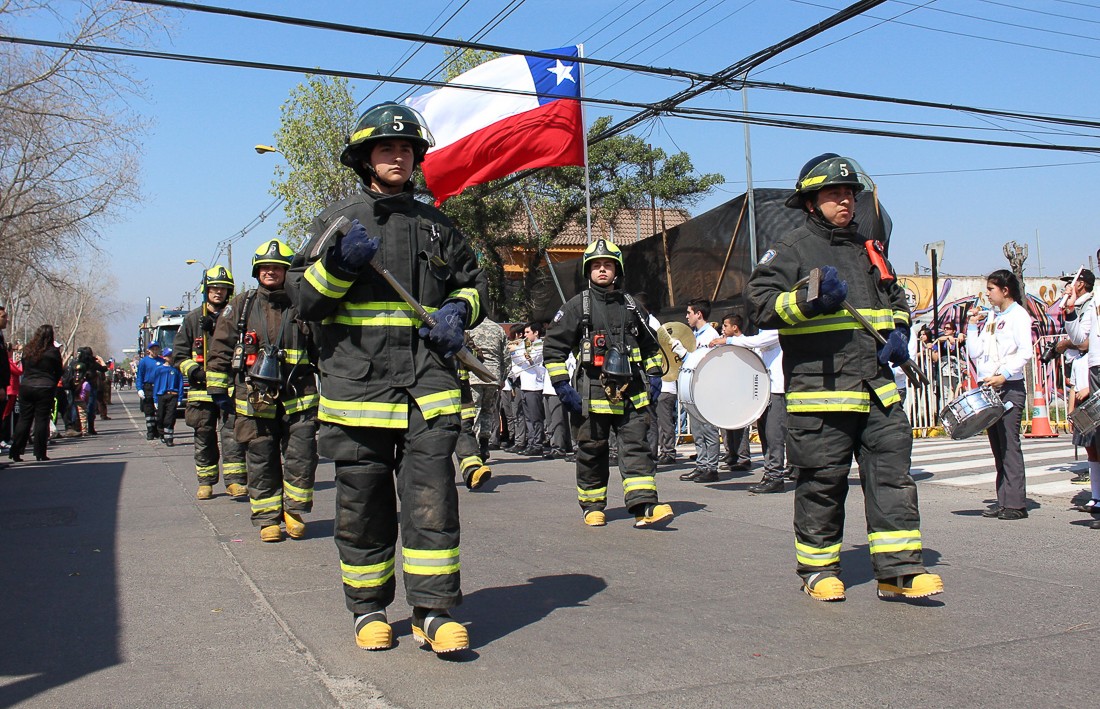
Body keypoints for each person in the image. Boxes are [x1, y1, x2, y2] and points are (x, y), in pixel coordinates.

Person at [286, 101, 487, 654]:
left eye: (405, 148)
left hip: (428, 388)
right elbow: (303, 299)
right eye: (386, 148)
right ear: (365, 159)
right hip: (359, 392)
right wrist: (339, 266)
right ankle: (368, 609)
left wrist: (457, 314)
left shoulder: (439, 225)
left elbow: (476, 287)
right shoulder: (338, 221)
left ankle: (433, 611)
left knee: (433, 501)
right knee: (363, 506)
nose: (397, 156)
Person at [746, 152, 942, 602]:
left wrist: (899, 332)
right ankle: (818, 569)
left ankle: (899, 571)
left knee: (893, 478)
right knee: (822, 482)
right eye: (834, 194)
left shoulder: (870, 249)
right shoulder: (791, 248)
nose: (846, 202)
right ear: (812, 202)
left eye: (850, 194)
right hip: (821, 392)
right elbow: (759, 304)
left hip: (877, 388)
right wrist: (808, 300)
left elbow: (896, 300)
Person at [543, 238, 673, 529]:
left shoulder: (633, 306)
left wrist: (654, 376)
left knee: (636, 447)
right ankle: (592, 506)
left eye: (608, 265)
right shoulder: (576, 307)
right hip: (592, 394)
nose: (602, 270)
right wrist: (562, 385)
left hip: (632, 394)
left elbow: (652, 347)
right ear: (588, 271)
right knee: (592, 450)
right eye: (597, 265)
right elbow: (553, 349)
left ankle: (644, 506)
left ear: (618, 270)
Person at [207, 239, 319, 543]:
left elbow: (323, 349)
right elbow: (219, 349)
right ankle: (268, 519)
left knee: (301, 457)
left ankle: (293, 512)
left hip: (299, 396)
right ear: (257, 272)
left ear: (287, 271)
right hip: (255, 400)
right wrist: (219, 390)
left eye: (277, 267)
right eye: (265, 267)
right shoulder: (241, 306)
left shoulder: (303, 304)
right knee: (261, 458)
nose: (271, 272)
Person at [173, 265, 248, 500]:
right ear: (207, 290)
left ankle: (235, 481)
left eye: (223, 289)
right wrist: (194, 371)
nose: (218, 292)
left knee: (233, 435)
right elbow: (178, 355)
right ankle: (205, 481)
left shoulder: (238, 317)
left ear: (229, 291)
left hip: (229, 388)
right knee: (203, 435)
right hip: (201, 391)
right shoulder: (193, 319)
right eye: (214, 288)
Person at [966, 269, 1033, 520]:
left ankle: (1016, 503)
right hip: (990, 388)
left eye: (991, 289)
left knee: (1009, 444)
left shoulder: (1019, 316)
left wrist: (1004, 373)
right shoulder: (993, 317)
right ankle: (1003, 499)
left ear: (1005, 290)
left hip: (1009, 387)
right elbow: (976, 352)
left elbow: (1025, 351)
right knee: (997, 445)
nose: (988, 294)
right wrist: (972, 327)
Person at [716, 313, 789, 494]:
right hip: (766, 388)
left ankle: (775, 475)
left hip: (777, 388)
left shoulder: (777, 327)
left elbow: (757, 342)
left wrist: (728, 341)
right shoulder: (765, 327)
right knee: (766, 434)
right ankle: (771, 473)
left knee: (774, 435)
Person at [677, 298, 721, 483]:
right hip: (694, 387)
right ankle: (702, 465)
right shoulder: (695, 335)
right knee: (697, 429)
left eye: (689, 313)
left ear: (698, 314)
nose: (687, 316)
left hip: (707, 387)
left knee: (708, 429)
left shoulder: (710, 335)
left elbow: (708, 360)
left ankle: (712, 467)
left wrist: (686, 355)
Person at [1061, 268, 1096, 486]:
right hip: (1081, 368)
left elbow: (1085, 342)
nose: (1067, 287)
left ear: (1081, 283)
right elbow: (1079, 337)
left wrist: (1065, 344)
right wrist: (1070, 311)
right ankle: (1096, 493)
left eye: (1070, 282)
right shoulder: (1080, 305)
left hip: (1092, 371)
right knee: (1089, 440)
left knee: (1095, 436)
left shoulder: (1093, 304)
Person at [9, 325, 62, 462]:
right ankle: (40, 452)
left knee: (24, 419)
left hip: (27, 386)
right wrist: (52, 382)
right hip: (45, 386)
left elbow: (24, 368)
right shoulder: (53, 352)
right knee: (41, 420)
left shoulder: (28, 349)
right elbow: (59, 370)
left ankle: (15, 450)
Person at [715, 313, 754, 474]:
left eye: (725, 326)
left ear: (734, 327)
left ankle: (743, 457)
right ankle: (731, 453)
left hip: (741, 389)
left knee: (740, 425)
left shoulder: (744, 343)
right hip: (728, 388)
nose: (722, 329)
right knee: (726, 424)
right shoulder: (725, 343)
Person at [1067, 354, 1099, 524]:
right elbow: (1073, 386)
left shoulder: (1094, 356)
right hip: (1082, 407)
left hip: (1093, 399)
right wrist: (1071, 412)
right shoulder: (1078, 359)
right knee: (1091, 452)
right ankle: (1096, 496)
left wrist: (1089, 390)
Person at [508, 322, 547, 456]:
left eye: (527, 332)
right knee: (528, 417)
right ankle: (531, 442)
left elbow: (530, 360)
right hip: (525, 385)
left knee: (535, 417)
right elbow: (519, 362)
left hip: (534, 386)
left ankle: (537, 443)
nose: (525, 335)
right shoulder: (525, 346)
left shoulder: (539, 345)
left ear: (536, 333)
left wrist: (515, 350)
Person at [152, 350, 183, 446]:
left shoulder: (176, 370)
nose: (171, 358)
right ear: (164, 357)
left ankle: (169, 438)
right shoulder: (159, 370)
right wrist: (155, 399)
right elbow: (156, 384)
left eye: (171, 356)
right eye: (168, 356)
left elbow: (180, 384)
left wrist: (179, 398)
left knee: (170, 418)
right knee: (160, 417)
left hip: (173, 395)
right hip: (161, 395)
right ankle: (161, 433)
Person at [135, 342, 165, 440]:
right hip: (148, 387)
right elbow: (140, 376)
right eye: (153, 349)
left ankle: (158, 430)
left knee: (159, 412)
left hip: (159, 387)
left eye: (157, 349)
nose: (155, 351)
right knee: (149, 411)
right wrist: (139, 389)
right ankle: (150, 431)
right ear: (149, 350)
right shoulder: (144, 361)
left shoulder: (162, 361)